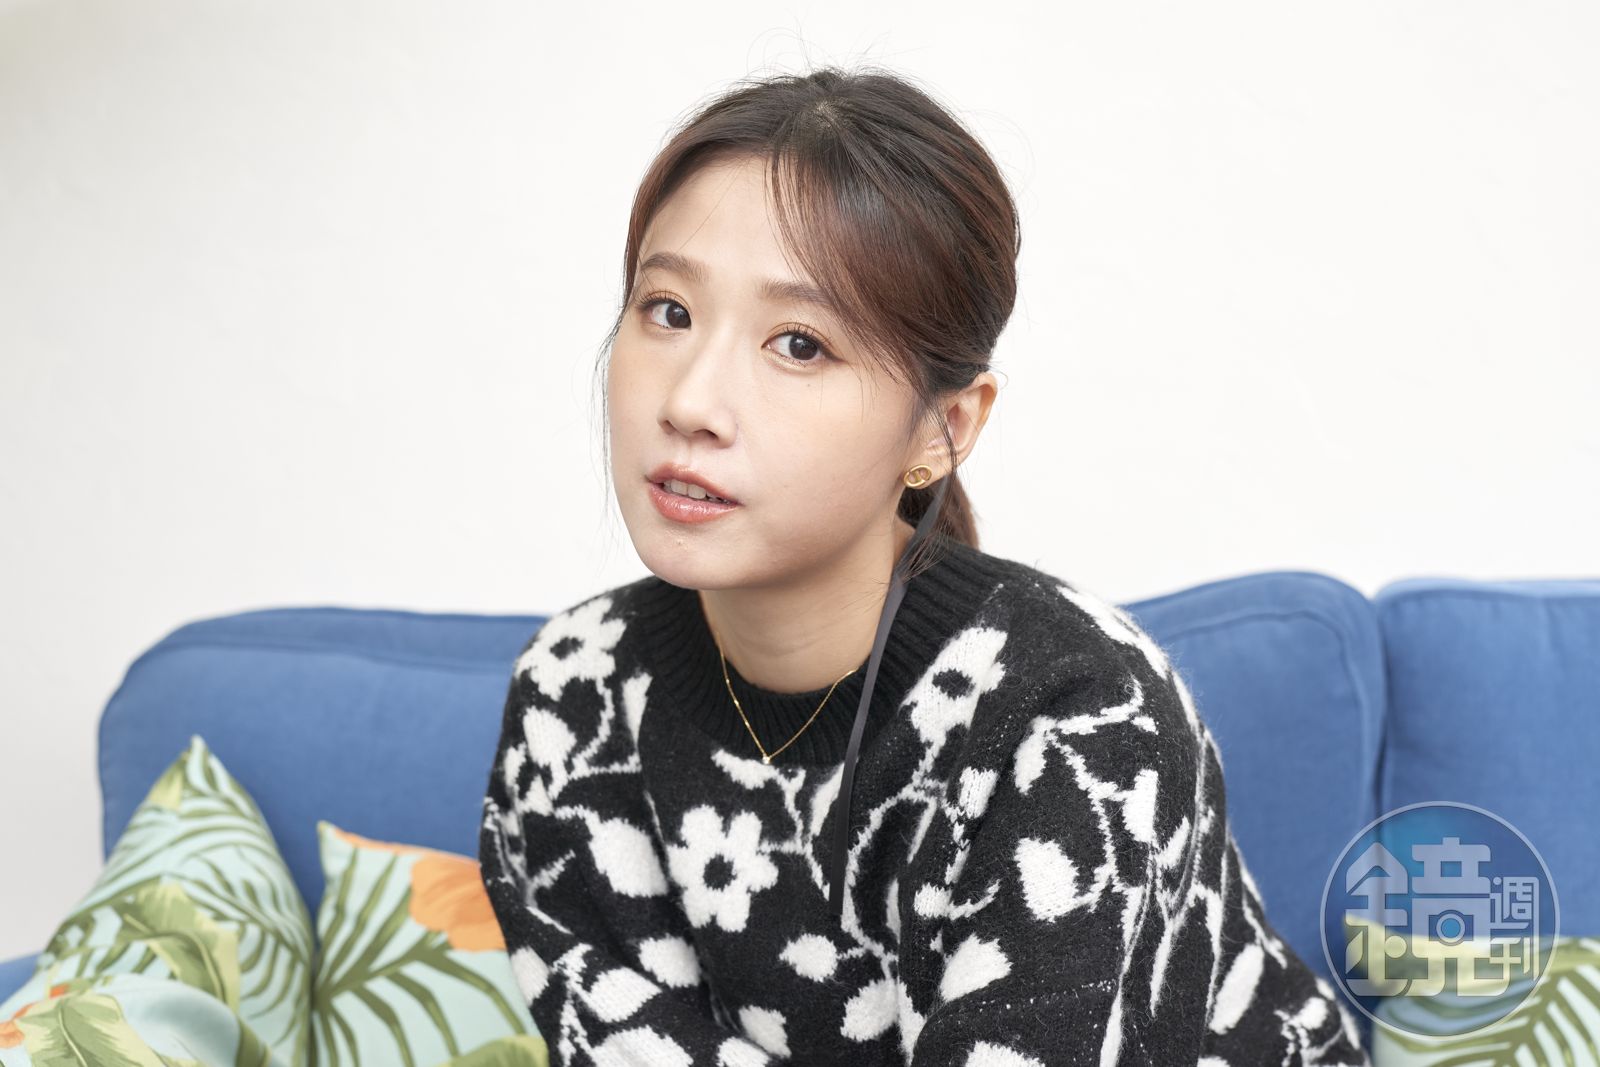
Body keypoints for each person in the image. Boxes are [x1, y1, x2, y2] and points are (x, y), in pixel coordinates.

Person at [478, 64, 1370, 1066]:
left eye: (798, 343)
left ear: (943, 429)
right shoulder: (574, 692)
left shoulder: (1078, 717)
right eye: (668, 310)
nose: (688, 402)